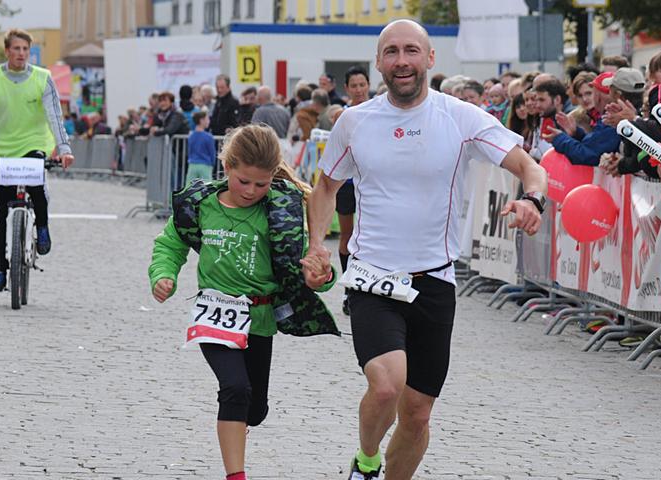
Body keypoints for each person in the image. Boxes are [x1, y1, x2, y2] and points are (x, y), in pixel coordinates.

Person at [304, 19, 547, 480]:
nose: (402, 61)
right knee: (385, 388)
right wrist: (317, 245)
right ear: (379, 62)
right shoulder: (354, 122)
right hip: (372, 275)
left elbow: (529, 167)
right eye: (391, 52)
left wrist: (533, 199)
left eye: (411, 51)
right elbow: (326, 187)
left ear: (430, 58)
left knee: (416, 414)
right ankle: (367, 461)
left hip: (434, 282)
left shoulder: (461, 117)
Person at [148, 124, 338, 480]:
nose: (252, 191)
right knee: (235, 388)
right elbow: (170, 245)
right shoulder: (200, 204)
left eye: (261, 184)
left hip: (259, 318)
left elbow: (312, 267)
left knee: (255, 408)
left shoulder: (284, 212)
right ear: (227, 167)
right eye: (243, 181)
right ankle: (236, 475)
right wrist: (164, 276)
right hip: (214, 315)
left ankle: (241, 423)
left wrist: (321, 277)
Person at [0, 28, 74, 292]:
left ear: (30, 52)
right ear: (7, 51)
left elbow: (54, 116)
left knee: (37, 189)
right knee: (2, 212)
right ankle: (0, 271)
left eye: (25, 49)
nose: (20, 54)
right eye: (16, 49)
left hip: (33, 144)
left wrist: (63, 149)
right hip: (1, 150)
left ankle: (42, 227)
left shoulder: (43, 78)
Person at [336, 65, 371, 315]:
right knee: (347, 236)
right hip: (347, 183)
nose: (359, 89)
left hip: (372, 183)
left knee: (370, 236)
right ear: (347, 88)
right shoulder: (343, 115)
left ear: (368, 85)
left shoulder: (380, 111)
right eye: (354, 85)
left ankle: (369, 288)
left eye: (362, 84)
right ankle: (349, 289)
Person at [186, 110, 216, 182]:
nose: (209, 121)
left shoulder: (191, 136)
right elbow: (212, 153)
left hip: (192, 164)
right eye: (207, 119)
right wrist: (212, 163)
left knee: (189, 189)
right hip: (205, 165)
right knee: (207, 189)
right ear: (201, 120)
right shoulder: (208, 137)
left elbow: (189, 151)